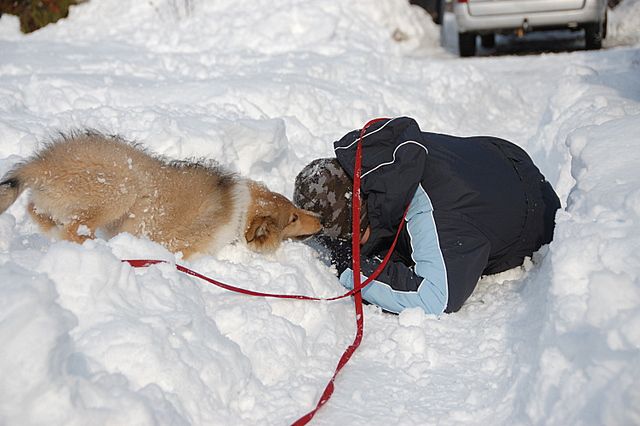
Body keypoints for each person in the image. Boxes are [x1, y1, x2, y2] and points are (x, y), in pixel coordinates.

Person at [293, 116, 560, 315]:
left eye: (352, 236)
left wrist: (348, 267)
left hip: (535, 216)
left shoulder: (431, 213)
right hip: (496, 158)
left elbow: (435, 298)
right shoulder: (379, 160)